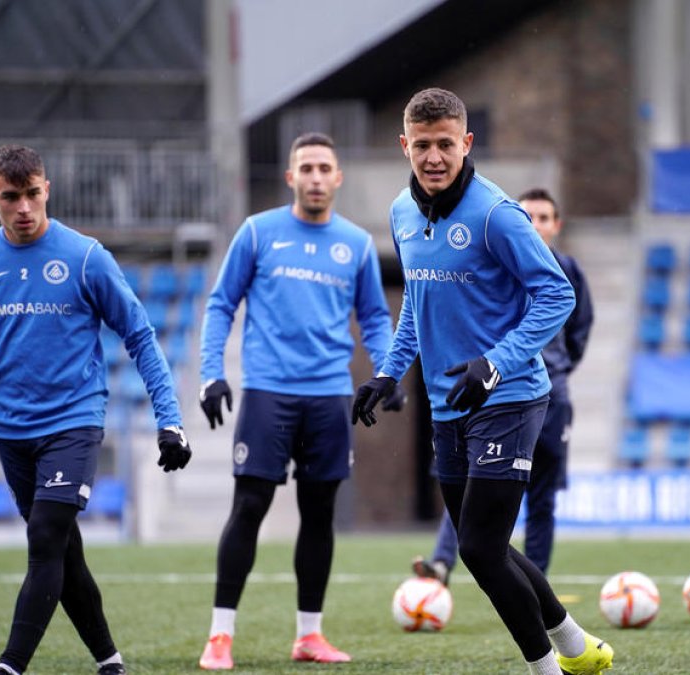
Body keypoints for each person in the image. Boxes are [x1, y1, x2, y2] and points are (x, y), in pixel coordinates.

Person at [0, 144, 192, 675]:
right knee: (63, 552)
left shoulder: (85, 257)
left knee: (46, 535)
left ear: (47, 189)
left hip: (74, 421)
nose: (25, 208)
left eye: (33, 194)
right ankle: (110, 662)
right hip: (11, 430)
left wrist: (169, 420)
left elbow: (141, 336)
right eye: (11, 197)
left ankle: (10, 667)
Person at [352, 87, 613, 675]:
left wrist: (496, 362)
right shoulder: (400, 213)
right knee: (486, 546)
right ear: (404, 146)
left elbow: (558, 295)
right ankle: (576, 646)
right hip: (449, 404)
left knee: (477, 549)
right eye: (423, 145)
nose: (434, 157)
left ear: (466, 143)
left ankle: (548, 669)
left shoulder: (497, 214)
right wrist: (388, 372)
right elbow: (417, 303)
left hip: (511, 396)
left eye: (446, 144)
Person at [196, 132, 403, 670]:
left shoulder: (357, 244)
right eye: (306, 168)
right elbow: (220, 304)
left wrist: (388, 372)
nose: (315, 177)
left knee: (319, 514)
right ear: (291, 177)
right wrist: (211, 374)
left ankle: (309, 636)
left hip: (329, 396)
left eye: (323, 168)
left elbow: (374, 318)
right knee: (249, 506)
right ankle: (220, 635)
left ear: (338, 178)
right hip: (269, 392)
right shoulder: (257, 232)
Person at [411, 187, 593, 585]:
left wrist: (560, 368)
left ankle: (535, 586)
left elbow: (580, 327)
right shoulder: (493, 258)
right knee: (471, 486)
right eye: (529, 217)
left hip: (551, 397)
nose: (536, 224)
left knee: (542, 497)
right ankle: (442, 562)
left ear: (557, 225)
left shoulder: (567, 270)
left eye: (544, 218)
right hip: (494, 393)